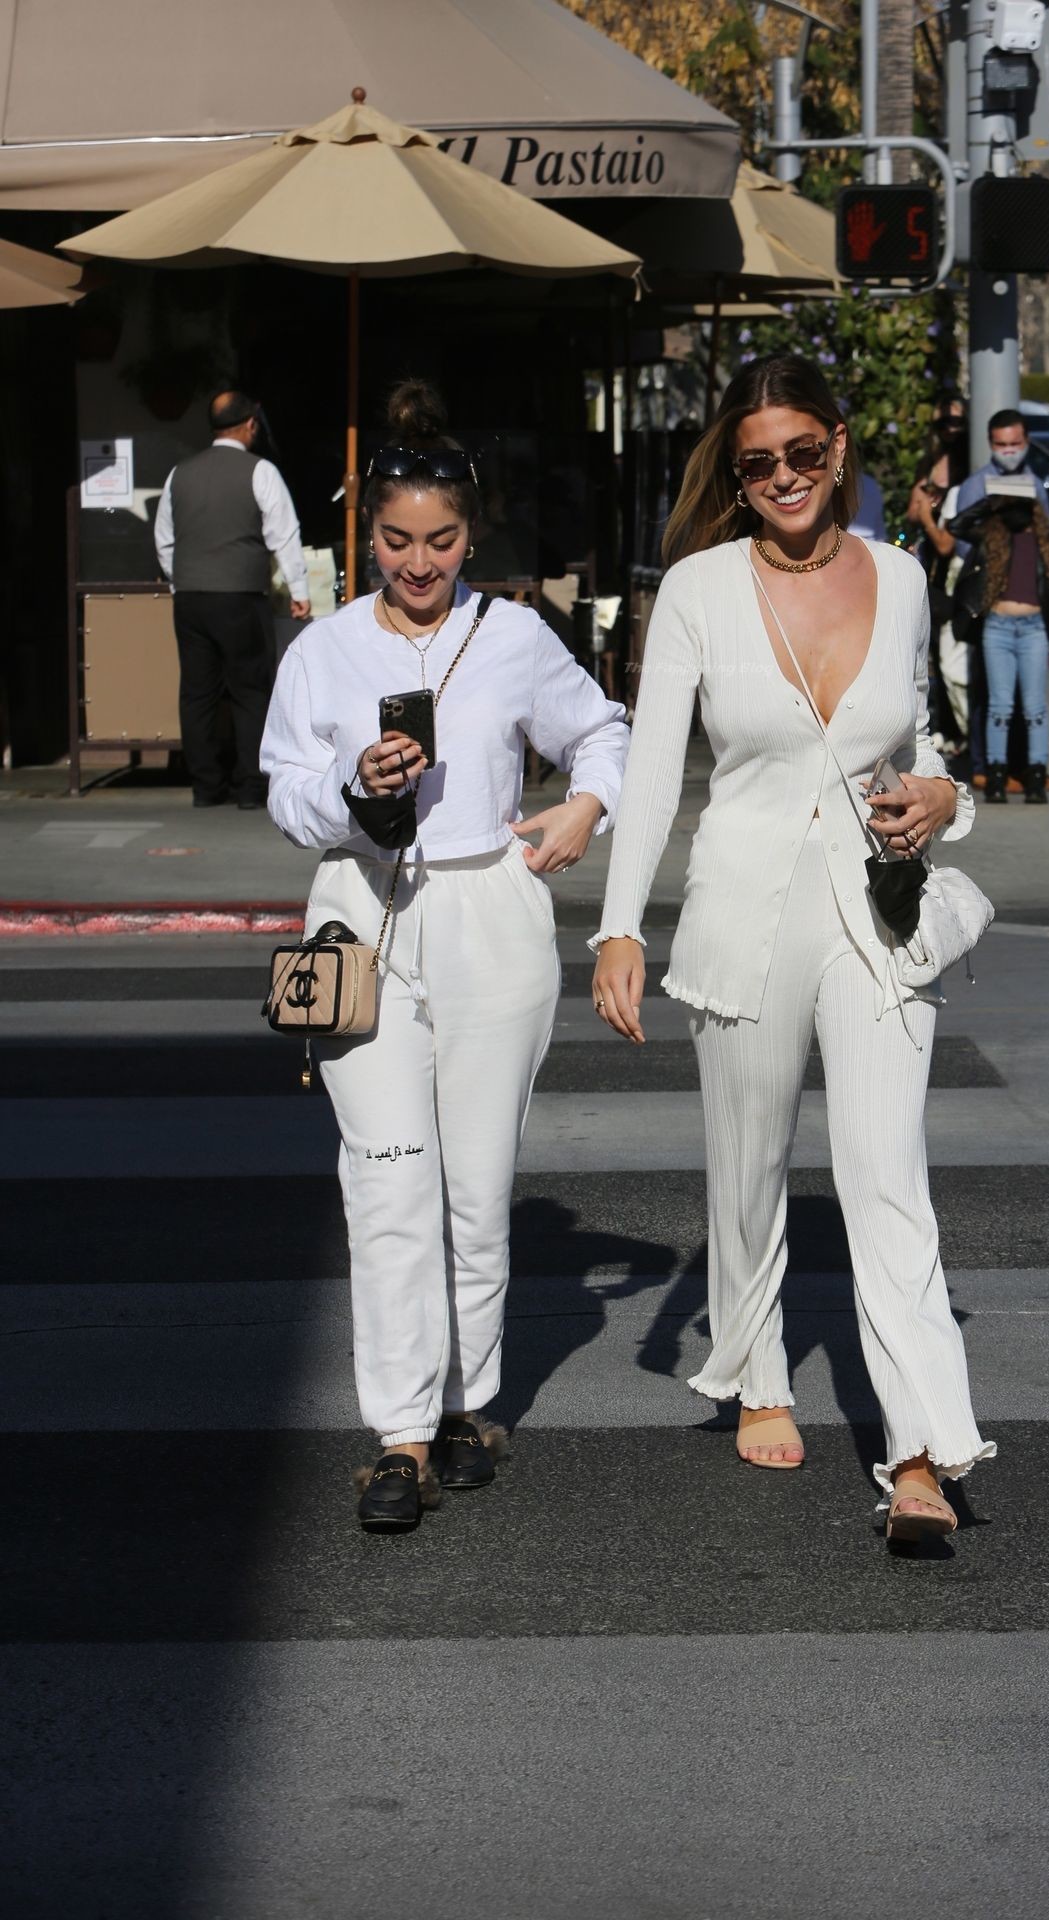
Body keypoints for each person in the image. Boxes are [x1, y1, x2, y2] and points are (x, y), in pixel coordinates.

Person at [590, 353, 993, 1546]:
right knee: (748, 1164)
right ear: (734, 471)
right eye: (756, 461)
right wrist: (619, 925)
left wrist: (944, 796)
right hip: (742, 907)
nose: (781, 477)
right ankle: (756, 1369)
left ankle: (919, 1451)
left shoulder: (902, 578)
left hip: (875, 916)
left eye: (801, 453)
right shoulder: (698, 589)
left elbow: (922, 737)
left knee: (888, 1177)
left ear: (836, 446)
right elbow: (652, 772)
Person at [260, 379, 629, 1530]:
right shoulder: (321, 650)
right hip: (358, 910)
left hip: (489, 908)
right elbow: (281, 790)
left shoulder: (511, 636)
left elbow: (603, 731)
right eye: (394, 540)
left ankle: (469, 1401)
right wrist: (346, 785)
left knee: (473, 1187)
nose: (416, 564)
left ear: (472, 535)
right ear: (363, 535)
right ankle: (401, 1434)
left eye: (439, 541)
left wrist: (584, 808)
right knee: (384, 1181)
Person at [155, 391, 311, 809]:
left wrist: (179, 581)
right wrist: (299, 591)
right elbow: (284, 534)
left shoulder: (179, 474)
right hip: (241, 596)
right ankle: (250, 787)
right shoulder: (260, 471)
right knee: (250, 691)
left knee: (197, 692)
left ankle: (205, 787)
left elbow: (164, 540)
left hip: (190, 599)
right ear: (250, 425)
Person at [924, 409, 1049, 801]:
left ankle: (1028, 768)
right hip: (990, 608)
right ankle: (987, 767)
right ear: (991, 444)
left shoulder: (1035, 484)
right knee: (990, 696)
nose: (1009, 451)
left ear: (1026, 442)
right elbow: (963, 541)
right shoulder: (977, 485)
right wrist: (994, 503)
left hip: (1029, 613)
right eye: (1002, 444)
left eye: (1015, 443)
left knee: (1029, 703)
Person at [907, 399, 971, 756]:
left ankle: (964, 730)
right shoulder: (929, 462)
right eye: (943, 423)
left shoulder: (969, 466)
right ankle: (948, 726)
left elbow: (945, 538)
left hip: (958, 570)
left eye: (957, 422)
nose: (950, 429)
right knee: (934, 653)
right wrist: (924, 507)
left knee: (953, 656)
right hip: (932, 567)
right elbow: (912, 510)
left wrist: (929, 515)